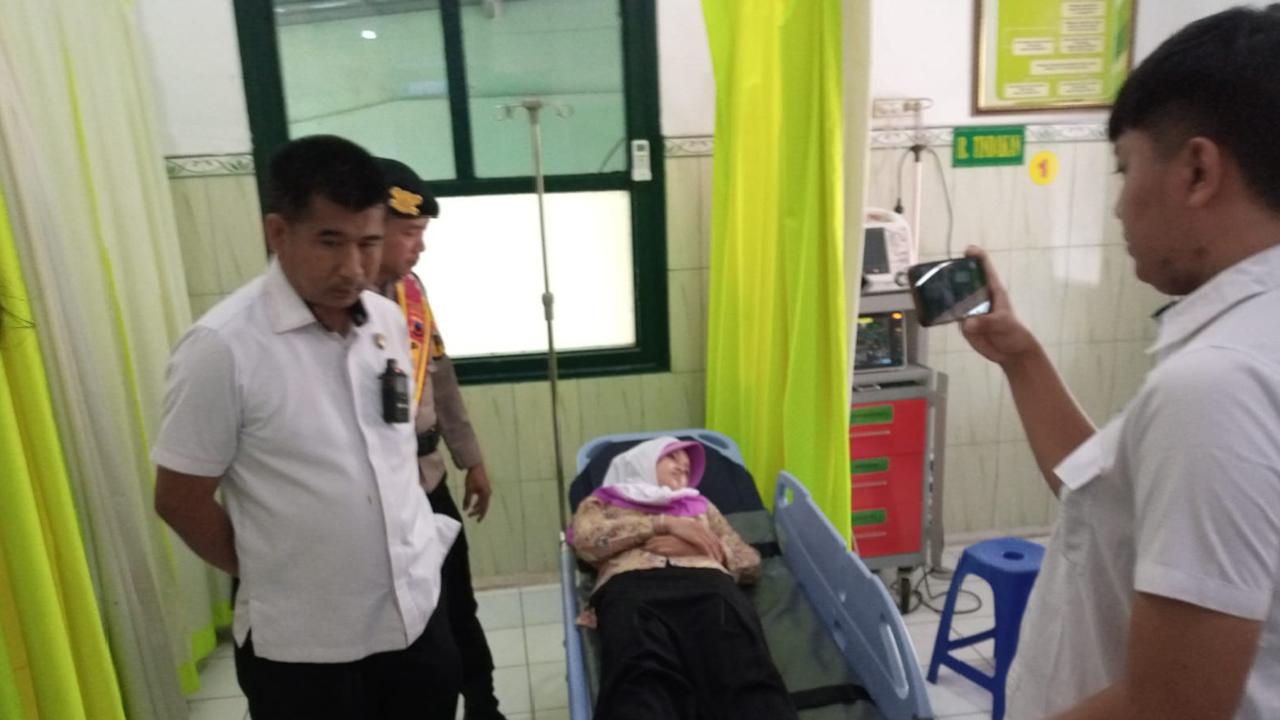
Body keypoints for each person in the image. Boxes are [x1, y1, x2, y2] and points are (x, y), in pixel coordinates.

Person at [956, 7, 1280, 719]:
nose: (1118, 208)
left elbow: (1172, 706)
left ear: (1197, 171)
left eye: (1126, 168)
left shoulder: (1217, 386)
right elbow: (1108, 502)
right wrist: (1021, 357)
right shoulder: (1251, 346)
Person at [153, 135, 462, 720]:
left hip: (415, 621)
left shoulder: (388, 321)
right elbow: (178, 499)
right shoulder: (222, 348)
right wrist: (274, 571)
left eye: (369, 243)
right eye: (330, 242)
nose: (353, 267)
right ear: (279, 232)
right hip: (305, 649)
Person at [373, 157, 504, 719]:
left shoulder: (411, 292)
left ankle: (483, 702)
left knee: (458, 601)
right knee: (414, 620)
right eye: (410, 232)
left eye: (422, 232)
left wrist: (470, 458)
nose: (420, 246)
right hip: (381, 493)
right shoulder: (342, 308)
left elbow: (442, 378)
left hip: (429, 479)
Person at [570, 437, 799, 720]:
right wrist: (662, 524)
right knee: (640, 676)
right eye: (672, 458)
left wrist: (701, 548)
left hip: (710, 588)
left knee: (743, 668)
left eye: (687, 466)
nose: (682, 467)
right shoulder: (601, 502)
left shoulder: (701, 506)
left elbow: (749, 561)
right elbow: (586, 542)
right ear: (643, 461)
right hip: (633, 588)